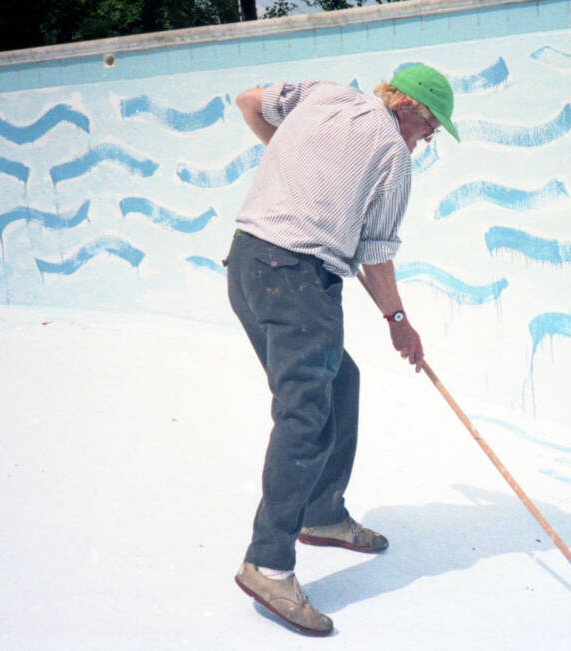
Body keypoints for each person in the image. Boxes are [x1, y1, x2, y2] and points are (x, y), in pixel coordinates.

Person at [224, 64, 459, 637]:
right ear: (411, 110)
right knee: (305, 415)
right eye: (430, 129)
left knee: (339, 382)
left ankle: (322, 513)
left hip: (248, 265)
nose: (426, 140)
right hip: (297, 275)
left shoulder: (325, 95)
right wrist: (398, 321)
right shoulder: (394, 154)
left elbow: (248, 100)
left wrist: (296, 167)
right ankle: (269, 563)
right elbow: (375, 250)